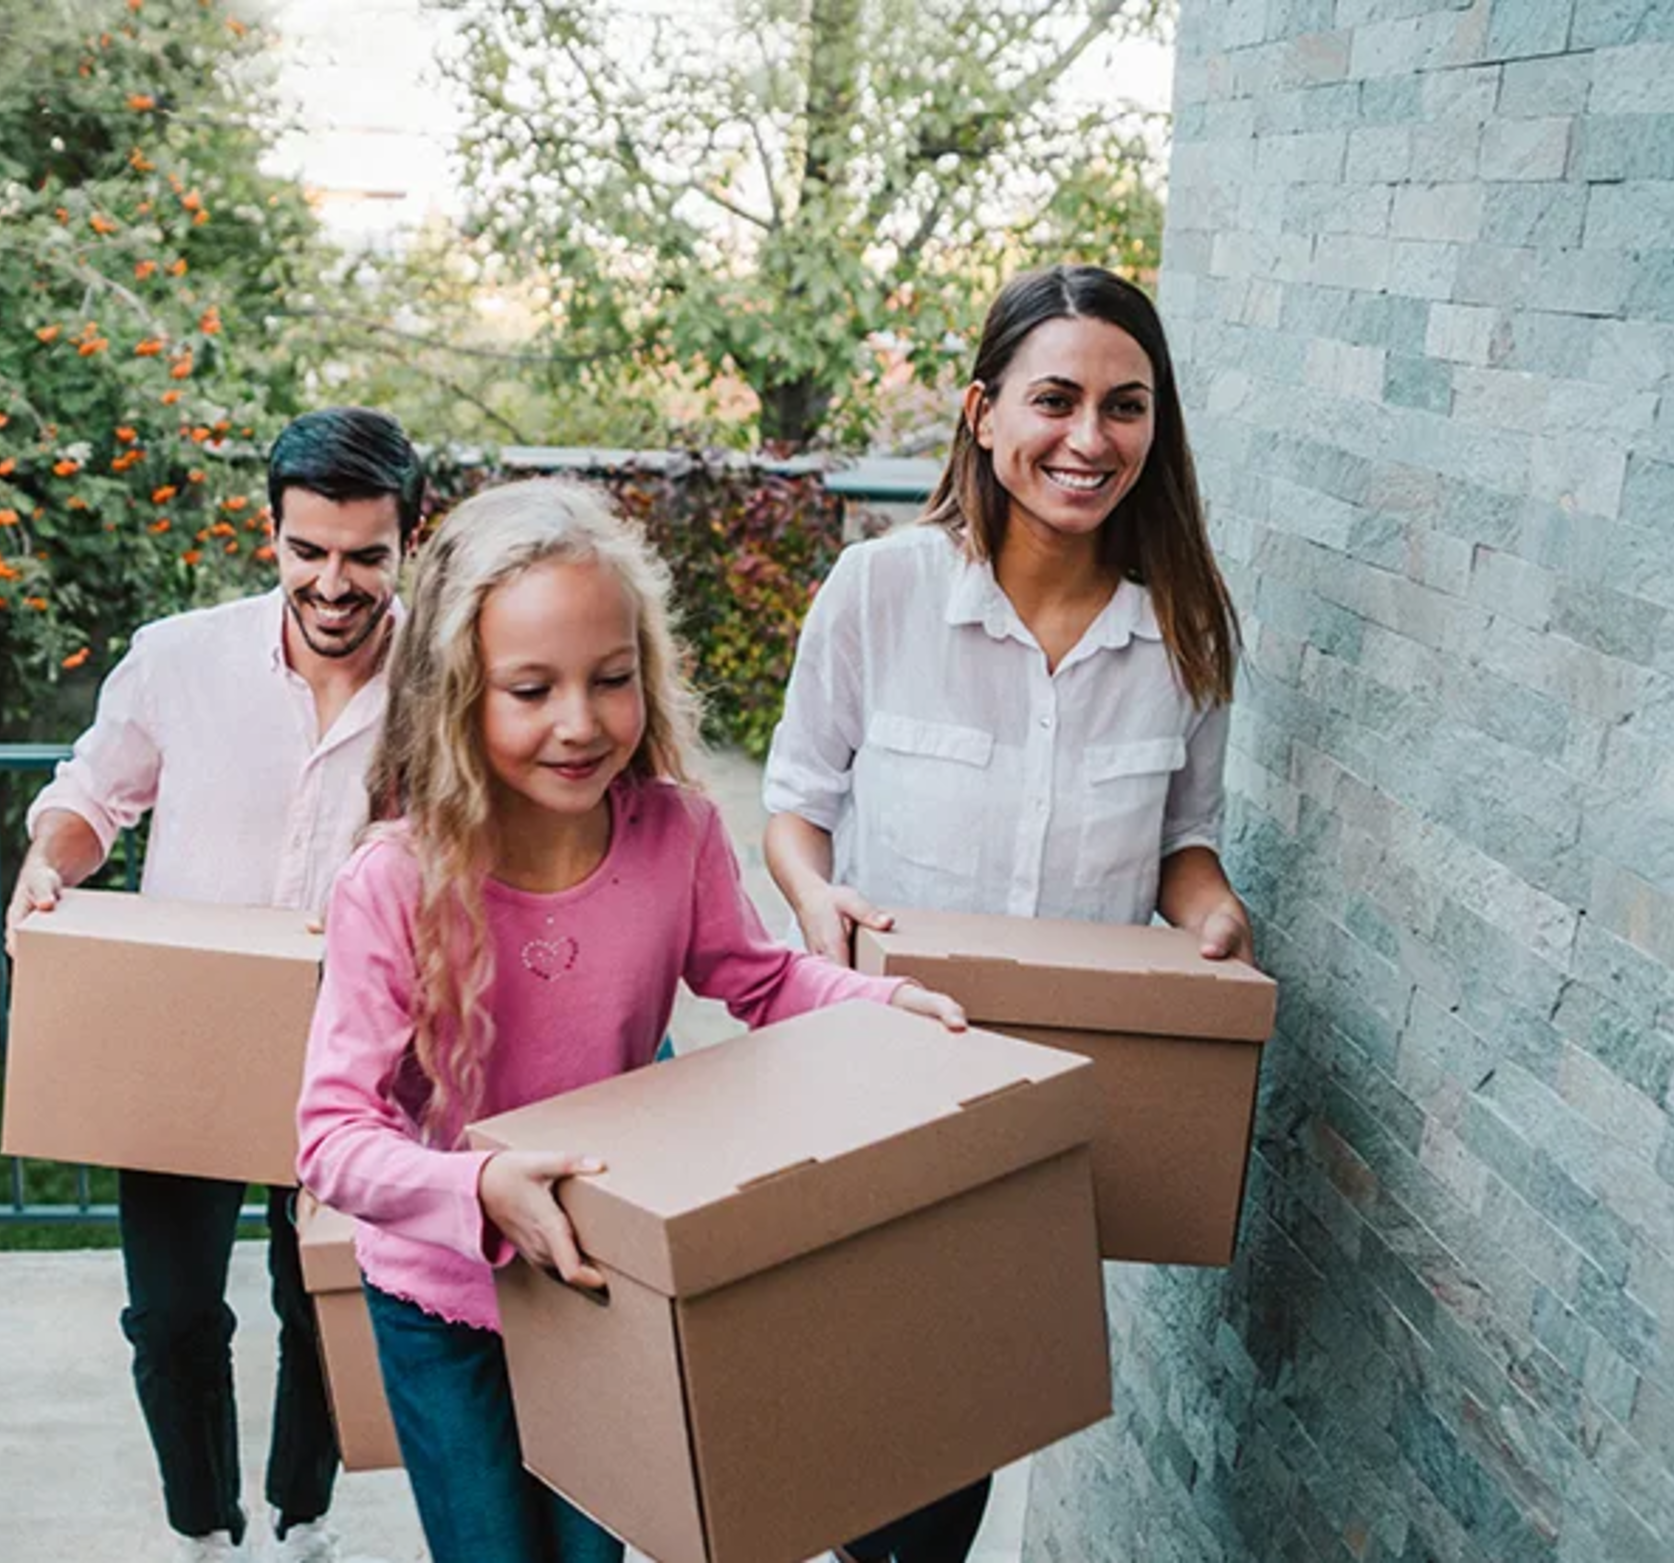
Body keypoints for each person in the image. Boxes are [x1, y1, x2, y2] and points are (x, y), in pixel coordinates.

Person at [295, 478, 966, 1563]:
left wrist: (884, 1003)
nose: (579, 723)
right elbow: (329, 1139)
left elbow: (760, 981)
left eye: (610, 680)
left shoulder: (676, 835)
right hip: (443, 1298)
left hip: (601, 1283)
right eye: (529, 690)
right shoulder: (394, 883)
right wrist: (477, 1189)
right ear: (454, 697)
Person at [762, 264, 1254, 1562]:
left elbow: (1181, 840)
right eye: (1056, 398)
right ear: (982, 412)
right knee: (852, 1397)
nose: (1090, 439)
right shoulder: (882, 593)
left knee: (957, 1423)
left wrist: (1211, 917)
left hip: (1047, 1094)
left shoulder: (1185, 630)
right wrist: (819, 899)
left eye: (1126, 405)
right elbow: (796, 802)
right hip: (872, 1067)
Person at [6, 407, 422, 1563]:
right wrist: (49, 864)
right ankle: (204, 1530)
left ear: (408, 545)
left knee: (319, 1307)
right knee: (174, 1315)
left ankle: (302, 1519)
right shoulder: (181, 654)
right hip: (186, 1035)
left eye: (365, 558)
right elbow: (96, 793)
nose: (333, 584)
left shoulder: (449, 679)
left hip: (358, 1046)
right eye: (308, 552)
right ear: (272, 535)